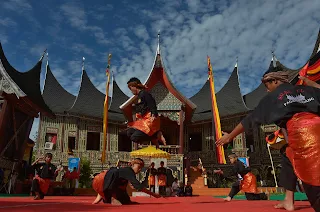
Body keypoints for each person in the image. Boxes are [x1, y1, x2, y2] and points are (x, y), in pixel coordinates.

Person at [216, 69, 320, 211]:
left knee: (317, 194)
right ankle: (288, 201)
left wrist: (229, 136)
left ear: (275, 81)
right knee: (287, 154)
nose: (266, 90)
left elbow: (249, 120)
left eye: (267, 86)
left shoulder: (273, 98)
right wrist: (311, 84)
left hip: (304, 135)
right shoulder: (304, 89)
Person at [92, 158, 161, 205]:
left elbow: (125, 187)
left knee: (125, 199)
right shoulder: (129, 171)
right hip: (101, 180)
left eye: (141, 168)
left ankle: (102, 195)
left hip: (101, 180)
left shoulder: (124, 171)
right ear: (133, 165)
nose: (140, 170)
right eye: (139, 167)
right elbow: (138, 186)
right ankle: (108, 196)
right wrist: (154, 194)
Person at [126, 77, 166, 148]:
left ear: (134, 86)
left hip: (150, 119)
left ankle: (156, 135)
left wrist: (154, 113)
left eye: (130, 88)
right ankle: (155, 136)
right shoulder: (139, 97)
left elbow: (152, 102)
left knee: (134, 138)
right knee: (129, 132)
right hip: (143, 121)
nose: (131, 91)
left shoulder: (144, 93)